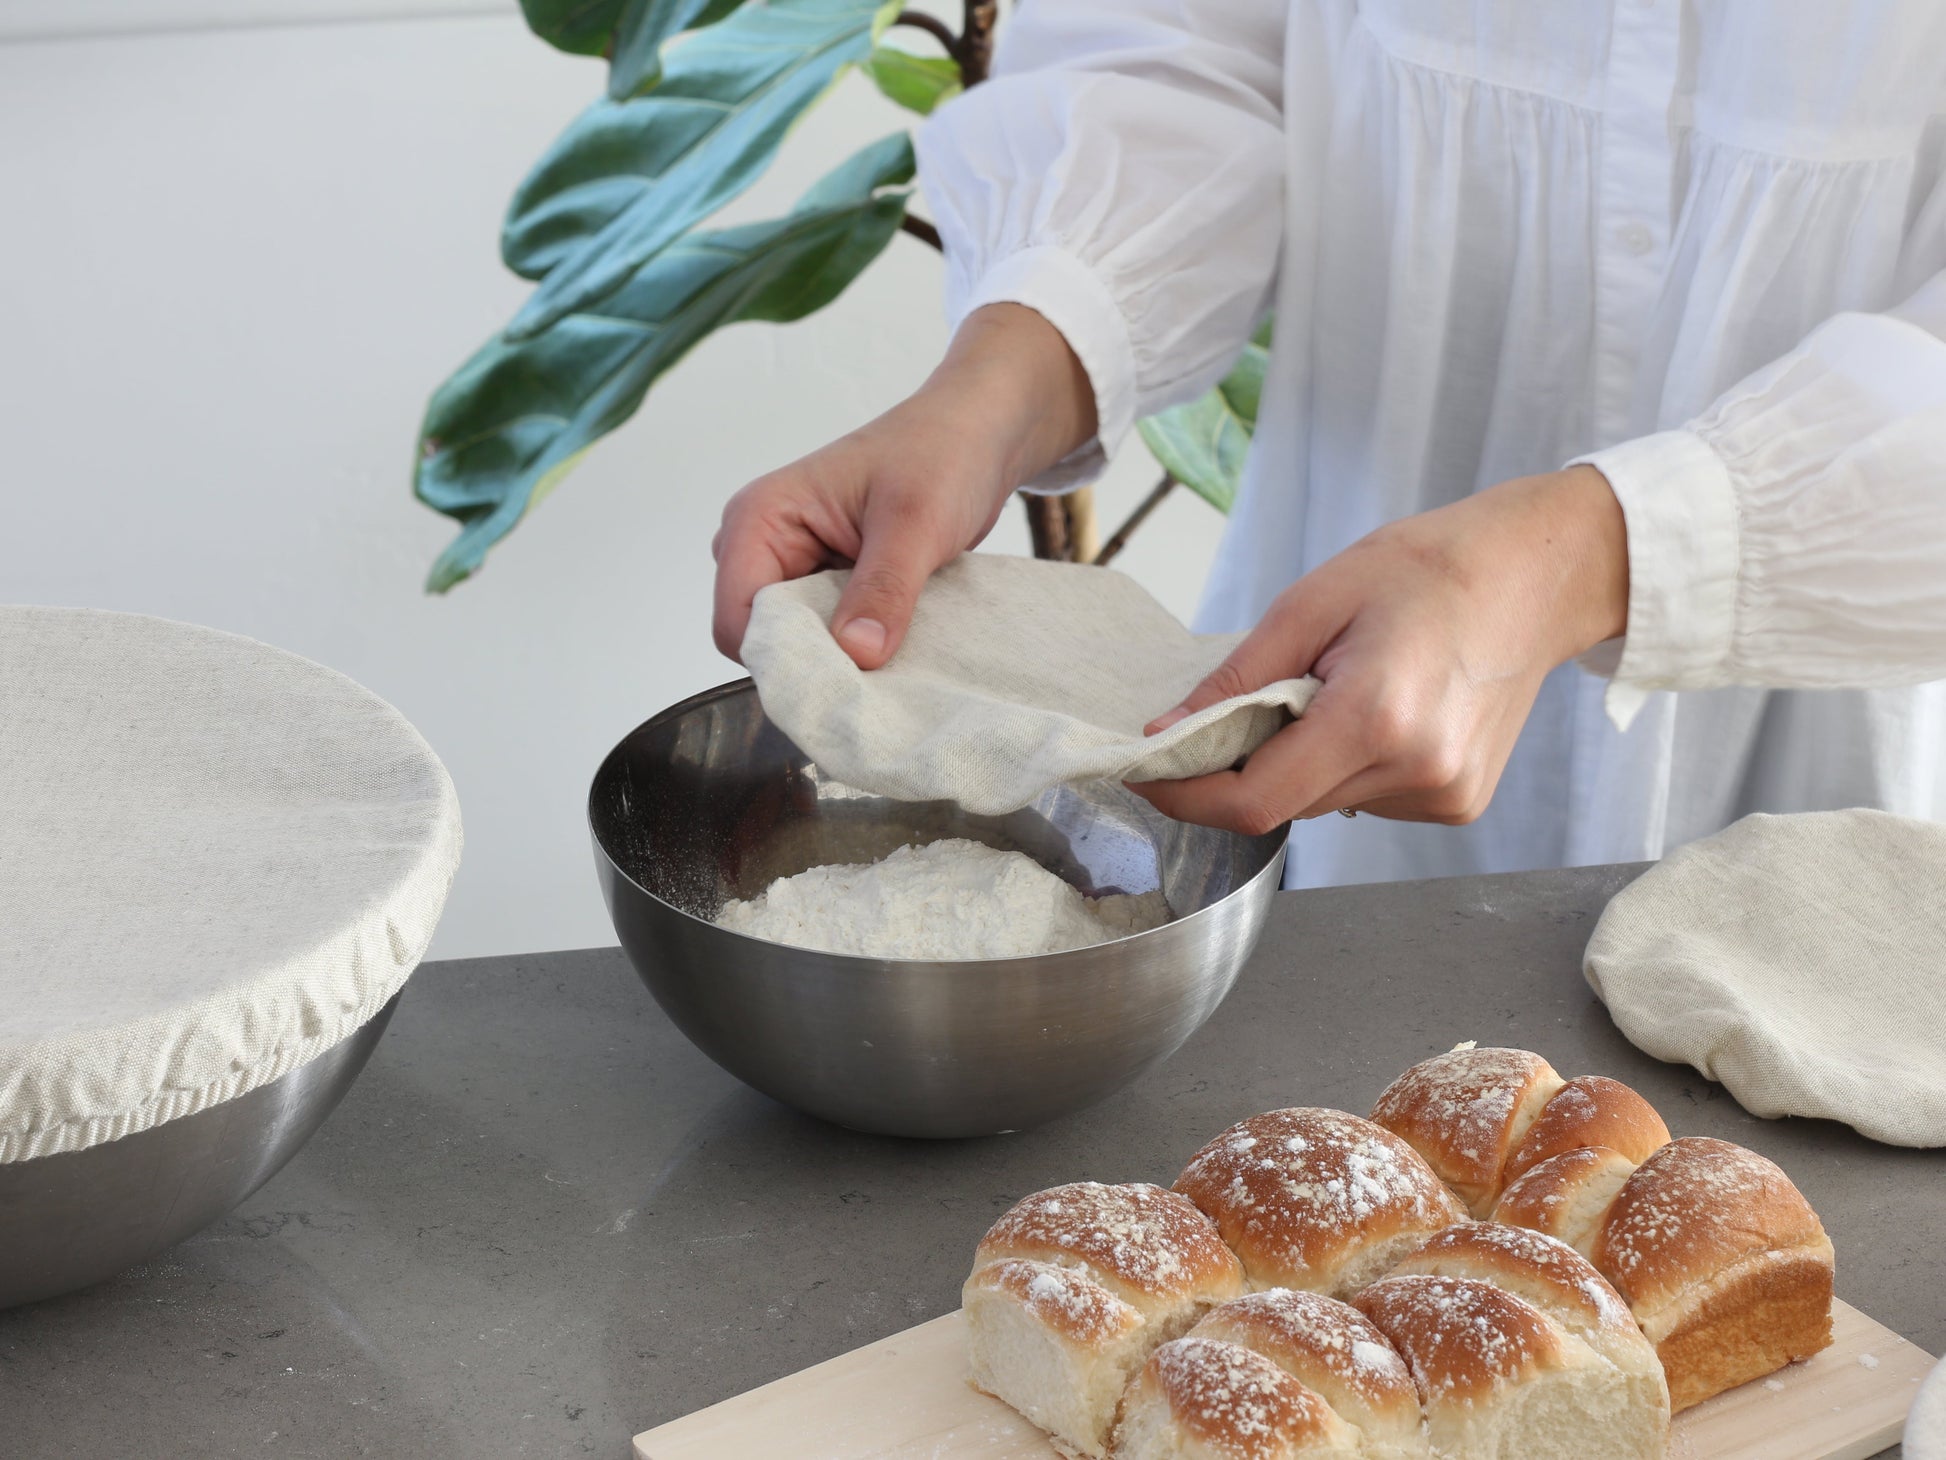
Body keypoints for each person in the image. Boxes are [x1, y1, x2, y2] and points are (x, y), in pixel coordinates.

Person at [712, 1, 1946, 890]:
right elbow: (1176, 48)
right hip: (1319, 709)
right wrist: (998, 383)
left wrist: (1590, 557)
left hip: (1832, 760)